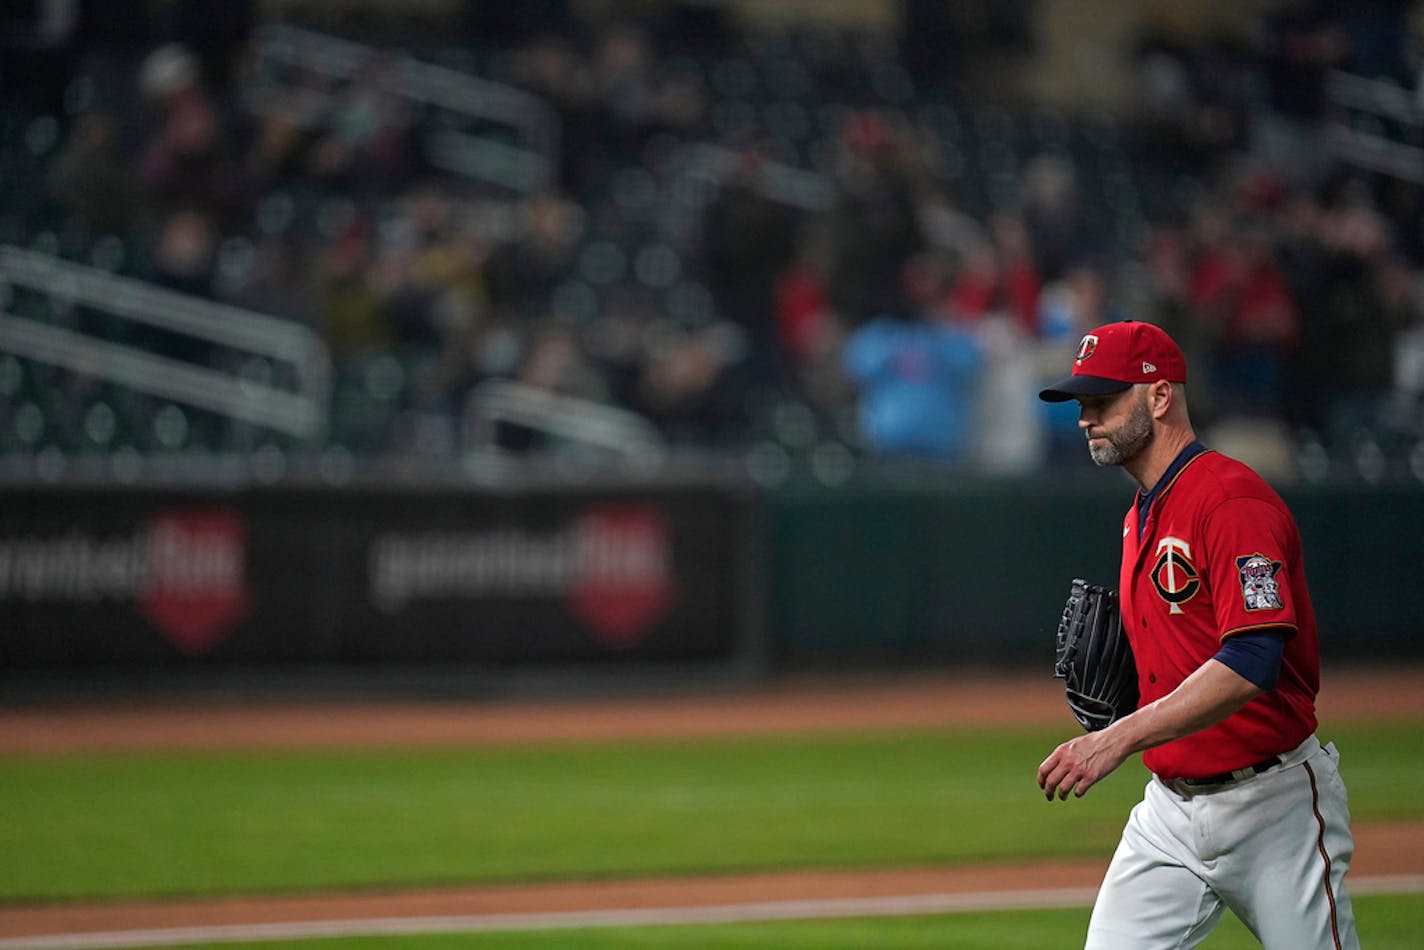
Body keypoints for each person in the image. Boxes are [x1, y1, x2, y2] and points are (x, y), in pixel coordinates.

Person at [1034, 320, 1358, 949]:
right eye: (1081, 402)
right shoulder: (1140, 513)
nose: (1085, 417)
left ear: (1159, 397)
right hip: (1171, 812)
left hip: (1274, 805)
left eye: (1102, 400)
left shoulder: (1231, 501)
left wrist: (1117, 738)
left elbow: (1252, 659)